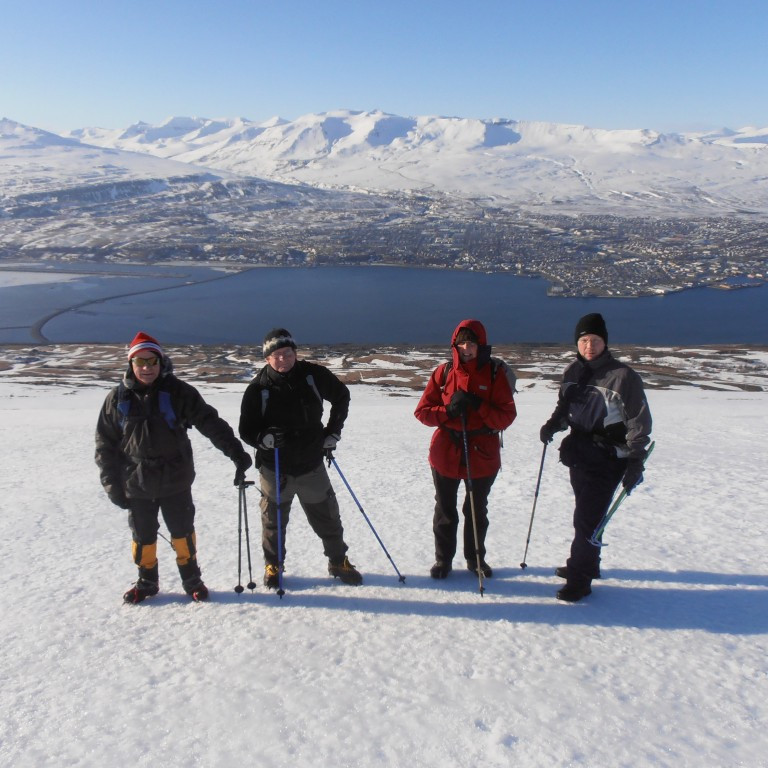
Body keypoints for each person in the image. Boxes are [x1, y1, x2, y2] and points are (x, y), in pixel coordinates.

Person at [95, 331, 252, 604]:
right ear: (131, 363)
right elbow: (105, 446)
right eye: (140, 361)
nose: (146, 368)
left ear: (161, 362)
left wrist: (236, 453)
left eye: (152, 361)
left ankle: (192, 580)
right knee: (142, 536)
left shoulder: (178, 393)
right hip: (137, 482)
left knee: (182, 532)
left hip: (175, 479)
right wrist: (112, 486)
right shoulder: (117, 399)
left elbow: (209, 422)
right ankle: (146, 583)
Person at [540, 312, 653, 602]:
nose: (589, 346)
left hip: (609, 457)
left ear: (605, 342)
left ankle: (580, 579)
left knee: (587, 519)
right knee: (587, 513)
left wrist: (635, 462)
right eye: (584, 340)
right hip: (579, 454)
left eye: (595, 340)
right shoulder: (572, 373)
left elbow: (639, 424)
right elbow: (566, 408)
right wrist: (553, 425)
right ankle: (588, 562)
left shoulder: (623, 377)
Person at [238, 328, 362, 589]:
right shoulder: (258, 389)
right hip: (275, 467)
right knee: (273, 520)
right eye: (276, 355)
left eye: (287, 353)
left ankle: (338, 561)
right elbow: (246, 430)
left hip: (310, 463)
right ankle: (274, 565)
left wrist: (333, 432)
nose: (282, 359)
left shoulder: (312, 376)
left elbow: (341, 396)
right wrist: (263, 439)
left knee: (327, 517)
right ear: (267, 358)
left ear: (295, 352)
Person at [414, 319, 517, 579]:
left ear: (481, 345)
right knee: (445, 510)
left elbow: (506, 416)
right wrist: (448, 410)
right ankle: (443, 561)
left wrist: (477, 405)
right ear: (455, 345)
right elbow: (422, 413)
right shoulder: (444, 373)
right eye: (462, 343)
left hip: (482, 453)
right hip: (446, 452)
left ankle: (476, 560)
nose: (467, 348)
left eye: (472, 343)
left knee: (475, 510)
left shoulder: (495, 374)